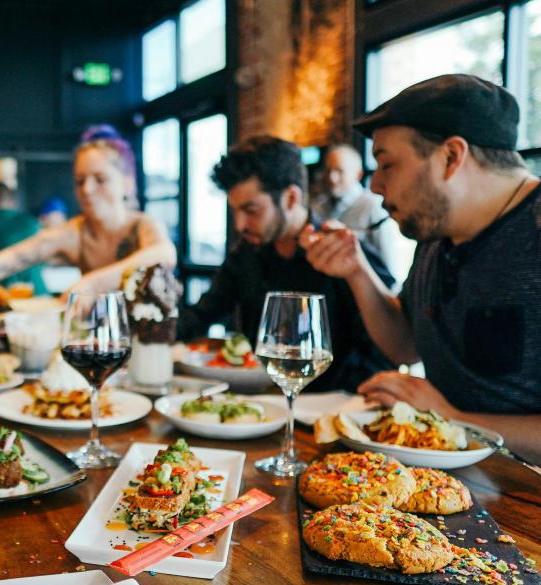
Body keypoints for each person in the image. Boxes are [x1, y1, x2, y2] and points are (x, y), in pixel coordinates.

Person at [300, 74, 541, 462]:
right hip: (451, 478)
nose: (375, 186)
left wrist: (453, 418)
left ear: (451, 157)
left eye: (387, 164)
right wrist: (356, 271)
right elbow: (405, 343)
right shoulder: (436, 234)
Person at [179, 135, 395, 392]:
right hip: (261, 403)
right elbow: (202, 314)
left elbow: (386, 353)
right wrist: (149, 328)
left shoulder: (344, 253)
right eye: (235, 211)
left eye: (251, 210)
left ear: (291, 198)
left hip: (331, 412)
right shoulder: (246, 255)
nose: (240, 225)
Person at [0, 124, 176, 306]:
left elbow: (164, 254)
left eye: (100, 179)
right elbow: (10, 259)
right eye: (80, 181)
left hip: (153, 347)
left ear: (128, 183)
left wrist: (91, 283)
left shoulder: (144, 225)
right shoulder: (74, 232)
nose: (87, 190)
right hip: (102, 345)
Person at [312, 144, 410, 282]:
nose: (332, 178)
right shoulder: (319, 205)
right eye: (328, 170)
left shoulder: (373, 206)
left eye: (340, 171)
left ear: (358, 174)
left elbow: (389, 265)